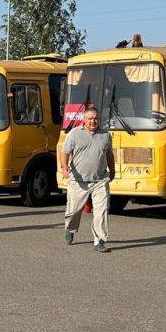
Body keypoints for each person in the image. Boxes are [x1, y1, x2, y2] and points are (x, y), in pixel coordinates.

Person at [58, 108, 115, 253]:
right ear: (84, 120)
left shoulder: (105, 136)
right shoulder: (75, 134)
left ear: (99, 120)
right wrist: (64, 168)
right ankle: (70, 229)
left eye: (95, 118)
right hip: (78, 181)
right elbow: (65, 152)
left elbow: (109, 155)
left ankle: (99, 241)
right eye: (90, 118)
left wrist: (112, 171)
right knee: (74, 211)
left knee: (101, 211)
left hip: (100, 180)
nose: (93, 121)